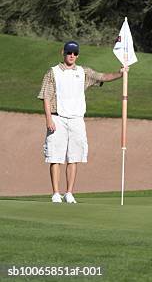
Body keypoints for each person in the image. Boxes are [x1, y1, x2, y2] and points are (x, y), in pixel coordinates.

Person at [38, 41, 126, 203]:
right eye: (69, 52)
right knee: (55, 157)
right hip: (57, 118)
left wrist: (120, 73)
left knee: (74, 157)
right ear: (62, 53)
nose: (72, 55)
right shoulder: (53, 72)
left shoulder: (83, 72)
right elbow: (46, 97)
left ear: (78, 55)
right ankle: (56, 193)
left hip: (77, 119)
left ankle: (69, 193)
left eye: (75, 53)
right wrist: (49, 118)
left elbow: (103, 77)